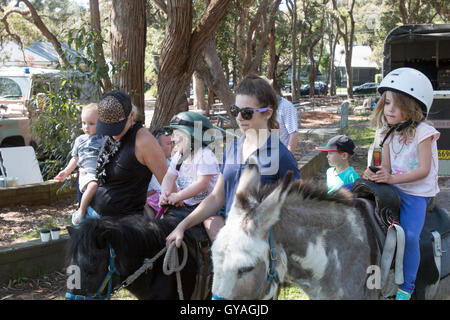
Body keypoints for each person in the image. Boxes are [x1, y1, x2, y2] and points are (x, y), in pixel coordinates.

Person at [166, 74, 301, 246]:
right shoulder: (232, 147)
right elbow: (216, 197)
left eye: (246, 113)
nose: (238, 118)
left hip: (261, 256)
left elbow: (296, 211)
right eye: (235, 111)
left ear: (268, 113)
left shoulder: (282, 157)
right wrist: (182, 226)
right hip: (231, 247)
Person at [362, 67, 440, 300]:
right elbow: (384, 166)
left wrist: (391, 178)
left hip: (416, 193)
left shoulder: (424, 133)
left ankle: (407, 287)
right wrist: (374, 172)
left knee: (411, 235)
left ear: (414, 107)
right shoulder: (386, 133)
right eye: (386, 103)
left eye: (397, 105)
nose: (389, 109)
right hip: (393, 186)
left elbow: (423, 170)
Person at [83, 90, 167, 219]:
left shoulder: (144, 141)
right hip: (94, 214)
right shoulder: (111, 135)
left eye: (117, 127)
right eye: (108, 128)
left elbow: (168, 181)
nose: (112, 133)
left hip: (124, 225)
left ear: (131, 116)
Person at [159, 111, 220, 224]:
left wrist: (179, 196)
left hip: (208, 204)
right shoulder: (179, 156)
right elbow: (169, 176)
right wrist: (165, 193)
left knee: (210, 225)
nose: (173, 139)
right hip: (187, 203)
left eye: (177, 135)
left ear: (193, 137)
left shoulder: (205, 155)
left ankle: (221, 241)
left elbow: (202, 183)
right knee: (164, 219)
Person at [54, 103, 104, 225]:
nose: (86, 127)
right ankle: (81, 211)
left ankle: (91, 216)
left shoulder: (104, 138)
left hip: (101, 173)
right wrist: (66, 172)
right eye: (84, 123)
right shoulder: (80, 140)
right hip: (87, 173)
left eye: (91, 123)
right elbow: (75, 159)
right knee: (92, 186)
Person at [264, 77, 299, 154]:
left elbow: (294, 134)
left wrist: (289, 158)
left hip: (281, 157)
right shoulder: (261, 107)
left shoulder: (286, 106)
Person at [145, 126, 175, 217]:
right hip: (160, 204)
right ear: (157, 147)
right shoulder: (153, 165)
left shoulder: (171, 160)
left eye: (173, 142)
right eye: (169, 143)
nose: (173, 145)